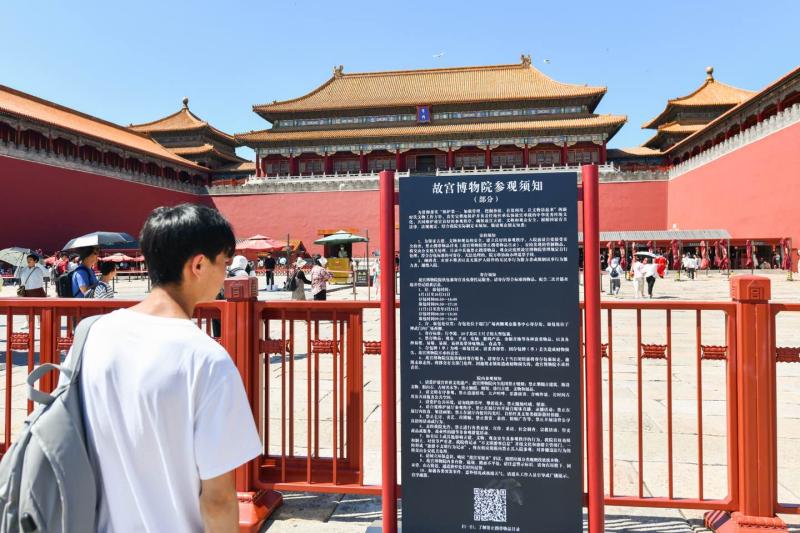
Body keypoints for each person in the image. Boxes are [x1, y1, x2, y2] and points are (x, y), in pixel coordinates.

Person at [61, 203, 260, 532]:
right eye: (223, 263)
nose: (225, 274)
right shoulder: (207, 359)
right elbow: (219, 501)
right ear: (198, 264)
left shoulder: (91, 336)